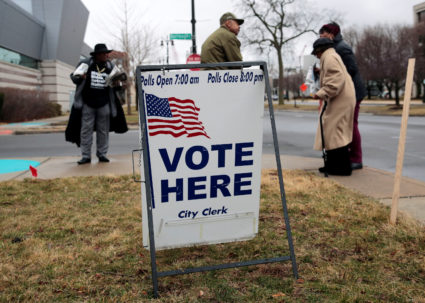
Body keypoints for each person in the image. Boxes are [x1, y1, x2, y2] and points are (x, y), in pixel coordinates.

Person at [65, 43, 128, 164]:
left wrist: (118, 84)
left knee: (103, 131)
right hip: (87, 104)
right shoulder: (86, 64)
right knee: (85, 130)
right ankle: (86, 156)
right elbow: (74, 78)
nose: (106, 55)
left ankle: (102, 154)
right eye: (103, 54)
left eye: (106, 53)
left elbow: (118, 87)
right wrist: (80, 77)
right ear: (97, 55)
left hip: (104, 103)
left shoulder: (110, 66)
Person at [319, 22, 366, 170]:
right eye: (320, 34)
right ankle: (343, 157)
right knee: (342, 125)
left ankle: (356, 158)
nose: (322, 37)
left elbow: (350, 70)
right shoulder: (332, 49)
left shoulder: (342, 48)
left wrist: (339, 88)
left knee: (351, 124)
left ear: (332, 34)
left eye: (324, 34)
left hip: (352, 93)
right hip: (343, 92)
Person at [311, 38, 356, 176]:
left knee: (335, 132)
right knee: (333, 131)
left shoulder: (329, 58)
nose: (315, 56)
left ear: (320, 50)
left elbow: (336, 80)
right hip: (342, 97)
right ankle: (333, 165)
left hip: (340, 98)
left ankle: (341, 168)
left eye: (316, 53)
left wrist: (320, 93)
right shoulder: (331, 56)